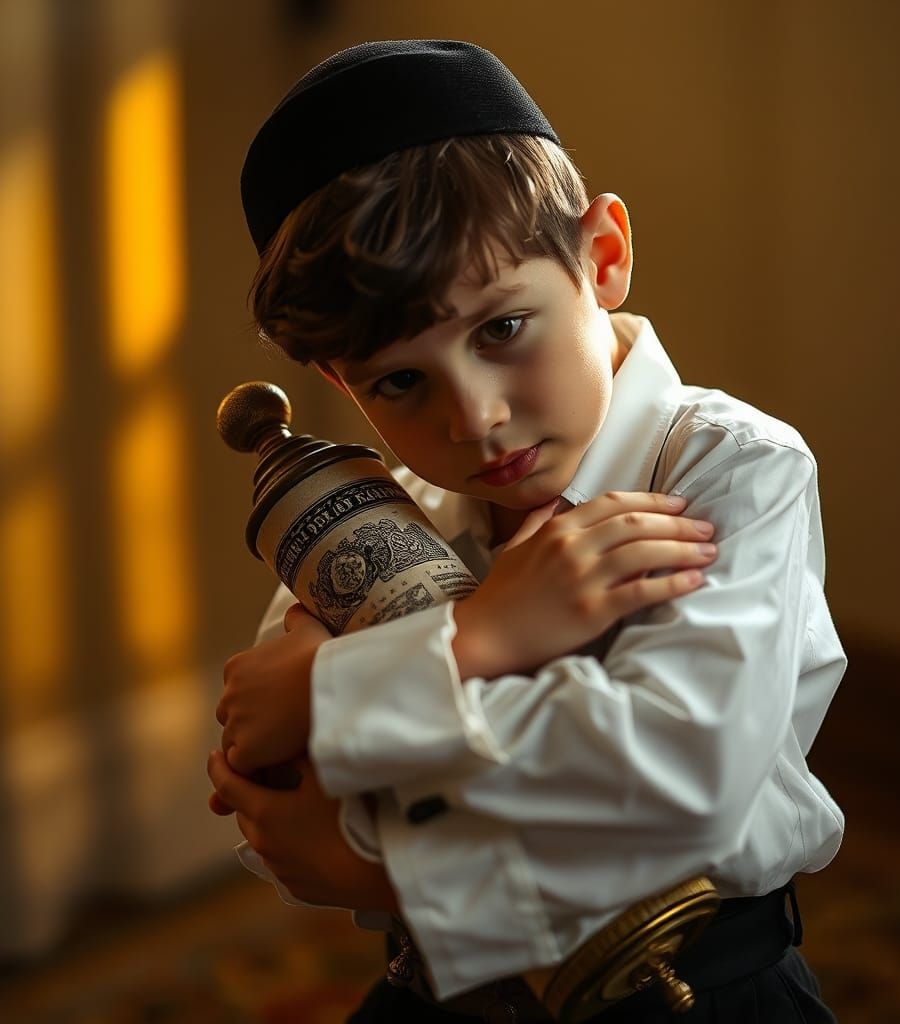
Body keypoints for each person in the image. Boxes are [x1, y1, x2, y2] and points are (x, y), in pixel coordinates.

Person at [207, 39, 845, 1023]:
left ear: (602, 257)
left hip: (695, 992)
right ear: (341, 382)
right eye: (400, 381)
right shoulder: (386, 512)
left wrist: (370, 790)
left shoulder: (730, 469)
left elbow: (676, 779)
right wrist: (482, 635)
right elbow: (280, 800)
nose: (475, 420)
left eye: (501, 329)